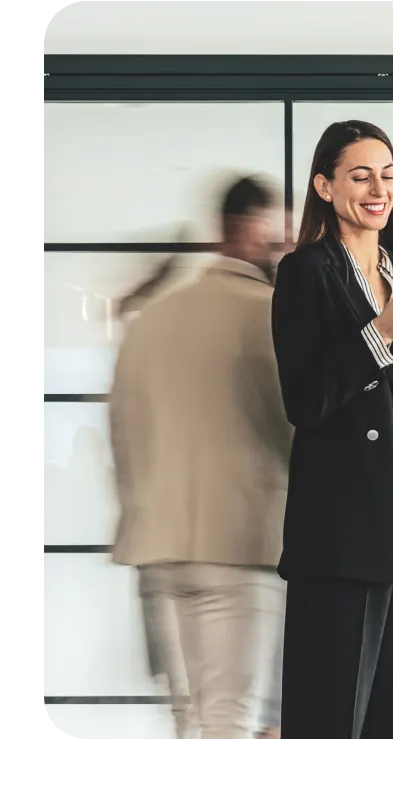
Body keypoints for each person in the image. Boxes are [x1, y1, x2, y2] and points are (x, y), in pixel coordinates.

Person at [272, 120, 393, 745]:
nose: (378, 189)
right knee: (331, 715)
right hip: (342, 528)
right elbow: (305, 401)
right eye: (360, 176)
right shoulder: (305, 271)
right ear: (324, 186)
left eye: (387, 175)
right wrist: (380, 330)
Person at [109, 175, 293, 744]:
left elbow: (124, 436)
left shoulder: (153, 319)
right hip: (238, 547)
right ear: (247, 227)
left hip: (157, 551)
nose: (284, 250)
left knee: (190, 719)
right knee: (230, 721)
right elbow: (298, 430)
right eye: (277, 235)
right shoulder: (267, 314)